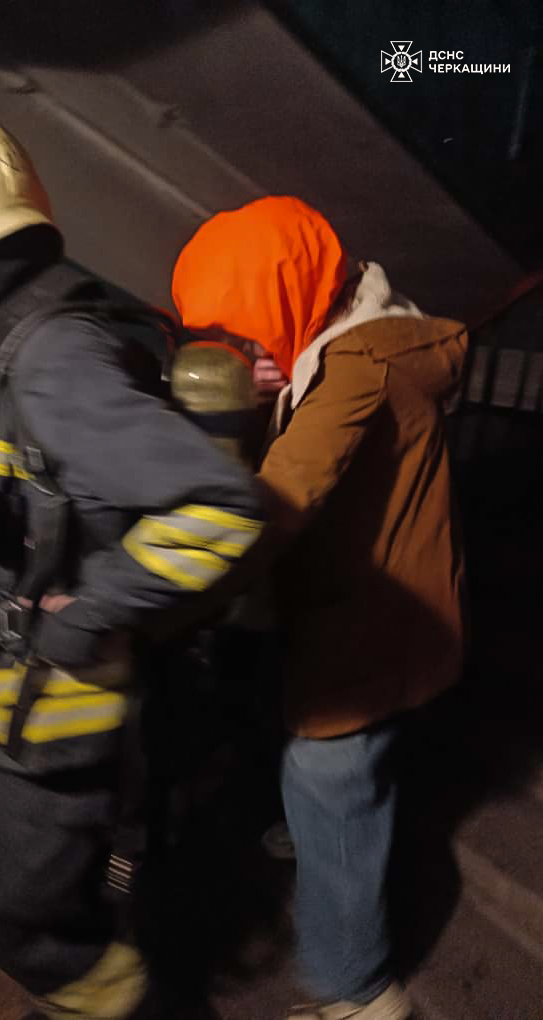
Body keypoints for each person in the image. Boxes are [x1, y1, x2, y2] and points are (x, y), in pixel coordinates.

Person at [0, 103, 266, 1020]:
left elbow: (218, 507)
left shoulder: (51, 357)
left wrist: (83, 619)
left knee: (20, 923)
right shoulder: (38, 329)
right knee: (83, 888)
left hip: (67, 693)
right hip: (48, 680)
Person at [171, 195, 467, 1020]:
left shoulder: (357, 365)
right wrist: (272, 384)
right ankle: (321, 837)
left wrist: (157, 585)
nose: (242, 350)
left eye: (248, 330)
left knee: (328, 771)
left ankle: (358, 990)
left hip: (376, 615)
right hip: (366, 601)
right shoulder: (354, 337)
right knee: (338, 769)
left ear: (293, 296)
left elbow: (284, 493)